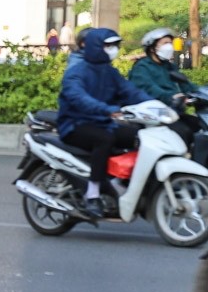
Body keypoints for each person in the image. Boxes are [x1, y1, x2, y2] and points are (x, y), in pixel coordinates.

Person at [58, 27, 154, 220]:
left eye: (115, 45)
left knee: (140, 137)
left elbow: (131, 92)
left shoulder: (111, 72)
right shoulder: (76, 71)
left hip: (102, 121)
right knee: (105, 139)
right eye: (108, 45)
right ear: (96, 47)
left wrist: (154, 104)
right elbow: (79, 98)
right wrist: (106, 109)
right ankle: (92, 194)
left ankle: (118, 182)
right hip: (75, 124)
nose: (113, 49)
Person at [129, 27, 208, 165]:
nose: (169, 46)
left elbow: (186, 84)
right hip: (155, 115)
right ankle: (181, 168)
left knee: (199, 127)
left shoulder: (169, 66)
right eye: (165, 43)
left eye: (170, 43)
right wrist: (172, 96)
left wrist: (201, 92)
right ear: (152, 48)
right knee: (184, 132)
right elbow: (150, 89)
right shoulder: (142, 67)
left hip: (173, 112)